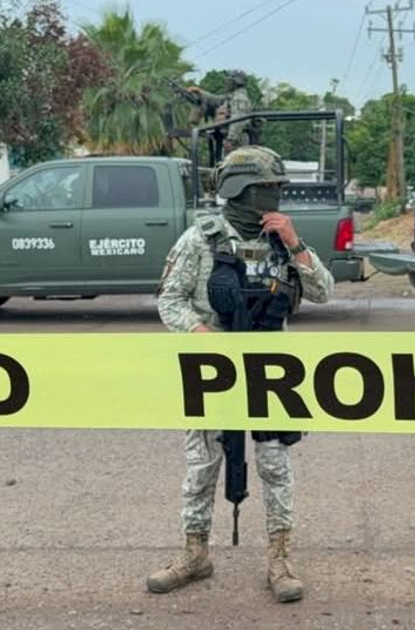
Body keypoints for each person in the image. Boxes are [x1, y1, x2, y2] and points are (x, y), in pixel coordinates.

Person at [152, 145, 334, 603]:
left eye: (277, 187)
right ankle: (195, 554)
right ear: (243, 189)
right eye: (267, 188)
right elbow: (169, 299)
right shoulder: (200, 239)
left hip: (271, 371)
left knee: (275, 466)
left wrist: (295, 243)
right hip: (213, 371)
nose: (274, 196)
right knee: (202, 466)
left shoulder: (281, 238)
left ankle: (280, 561)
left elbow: (323, 293)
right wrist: (199, 331)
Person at [186, 70, 254, 149]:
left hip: (237, 140)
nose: (226, 83)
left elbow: (238, 120)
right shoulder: (231, 97)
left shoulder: (239, 98)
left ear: (236, 83)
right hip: (230, 138)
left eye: (229, 81)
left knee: (236, 157)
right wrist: (199, 92)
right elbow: (216, 100)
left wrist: (231, 139)